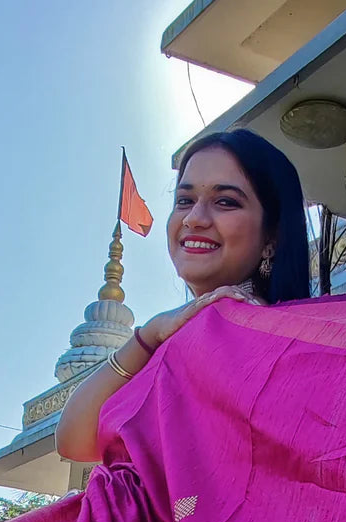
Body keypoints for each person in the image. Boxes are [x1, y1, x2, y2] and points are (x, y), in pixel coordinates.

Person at [55, 129, 313, 464]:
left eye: (225, 202)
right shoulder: (183, 333)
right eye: (184, 201)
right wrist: (149, 335)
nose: (194, 219)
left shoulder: (240, 333)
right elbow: (73, 440)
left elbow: (75, 441)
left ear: (272, 236)